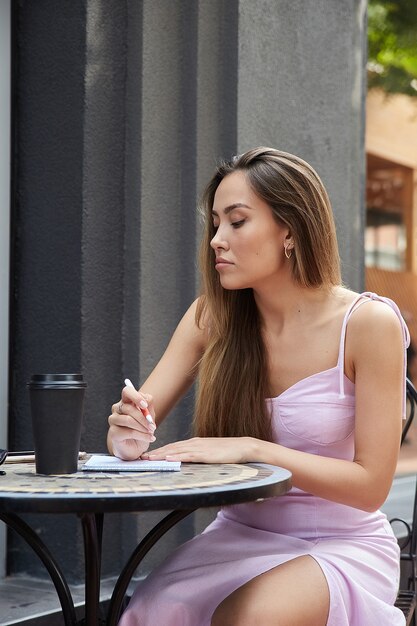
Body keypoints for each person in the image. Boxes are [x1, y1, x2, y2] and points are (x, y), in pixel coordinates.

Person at [107, 147, 410, 626]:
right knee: (150, 613)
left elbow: (371, 487)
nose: (216, 240)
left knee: (247, 618)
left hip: (340, 543)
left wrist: (253, 448)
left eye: (237, 222)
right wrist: (128, 433)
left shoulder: (368, 323)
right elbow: (136, 424)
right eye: (215, 223)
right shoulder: (211, 316)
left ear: (289, 229)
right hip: (240, 533)